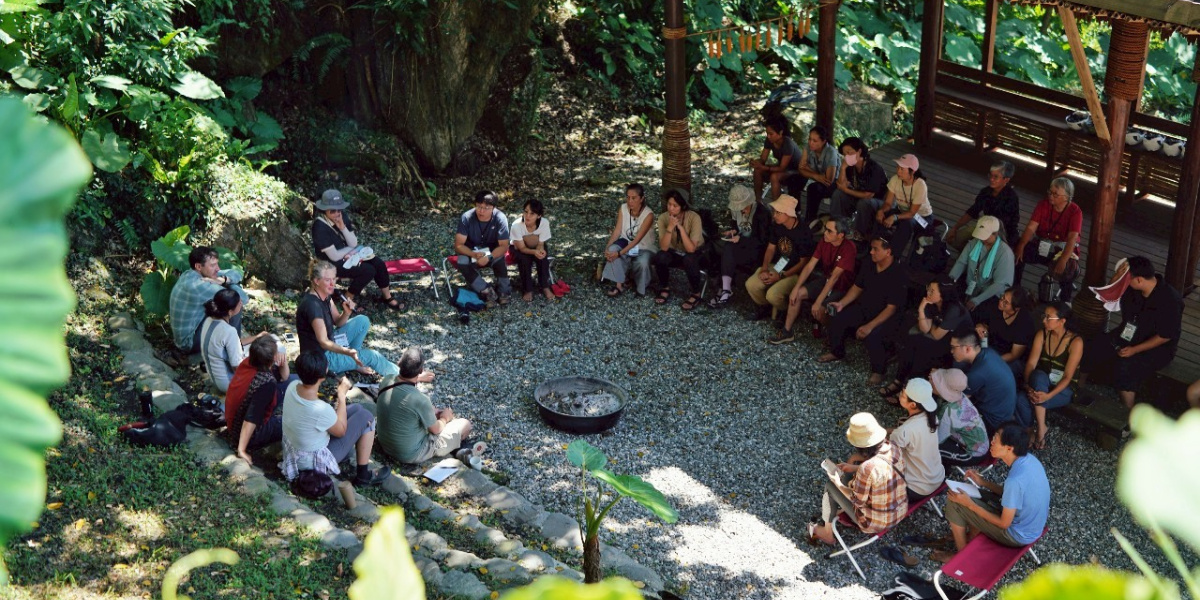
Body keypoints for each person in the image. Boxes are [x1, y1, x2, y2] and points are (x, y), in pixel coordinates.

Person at [1079, 256, 1183, 425]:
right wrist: (1117, 277)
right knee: (1093, 346)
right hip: (1127, 334)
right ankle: (1078, 388)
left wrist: (1134, 350)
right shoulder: (1132, 287)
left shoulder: (1170, 299)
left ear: (1139, 280)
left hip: (1157, 347)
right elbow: (1108, 296)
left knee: (1126, 367)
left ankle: (1128, 416)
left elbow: (1165, 335)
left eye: (1126, 280)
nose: (1124, 284)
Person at [934, 423, 1050, 563]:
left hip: (1016, 535)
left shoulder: (1014, 480)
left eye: (996, 439)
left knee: (955, 501)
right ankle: (971, 537)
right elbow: (1013, 496)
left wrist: (970, 505)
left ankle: (961, 558)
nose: (992, 442)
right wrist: (983, 483)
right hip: (1031, 527)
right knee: (971, 494)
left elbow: (1004, 523)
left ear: (1009, 448)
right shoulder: (1030, 461)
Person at [280, 351, 391, 486]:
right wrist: (341, 395)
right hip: (311, 463)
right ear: (322, 376)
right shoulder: (320, 408)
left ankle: (347, 456)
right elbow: (340, 431)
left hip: (296, 449)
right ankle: (363, 476)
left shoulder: (292, 386)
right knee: (367, 417)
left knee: (357, 409)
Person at [808, 412, 908, 546]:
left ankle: (827, 533)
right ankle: (835, 513)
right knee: (846, 478)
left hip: (875, 522)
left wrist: (837, 482)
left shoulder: (867, 468)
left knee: (830, 486)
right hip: (900, 510)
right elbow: (882, 471)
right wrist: (854, 468)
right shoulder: (893, 447)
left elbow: (857, 500)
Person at [822, 237, 909, 386]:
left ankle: (878, 371)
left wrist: (869, 326)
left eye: (875, 249)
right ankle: (837, 352)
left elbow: (891, 308)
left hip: (887, 316)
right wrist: (841, 303)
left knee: (873, 335)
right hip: (865, 307)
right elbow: (857, 287)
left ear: (888, 252)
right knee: (837, 316)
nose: (871, 252)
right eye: (871, 248)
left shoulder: (898, 273)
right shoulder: (869, 264)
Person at [297, 260, 399, 376]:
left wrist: (346, 313)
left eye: (334, 279)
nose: (332, 284)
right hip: (321, 358)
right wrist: (348, 352)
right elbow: (324, 342)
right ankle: (404, 377)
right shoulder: (312, 306)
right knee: (372, 356)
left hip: (330, 343)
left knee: (362, 321)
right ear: (316, 281)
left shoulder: (325, 296)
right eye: (328, 280)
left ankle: (355, 363)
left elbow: (338, 322)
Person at [880, 277, 972, 402]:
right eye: (928, 289)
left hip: (956, 345)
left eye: (932, 291)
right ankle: (899, 380)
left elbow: (936, 335)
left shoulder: (954, 309)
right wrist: (921, 309)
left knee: (922, 352)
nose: (928, 293)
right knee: (912, 342)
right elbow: (925, 329)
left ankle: (910, 390)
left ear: (943, 295)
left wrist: (932, 325)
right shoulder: (930, 302)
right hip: (942, 337)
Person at [310, 189, 404, 311]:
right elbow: (334, 256)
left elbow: (353, 242)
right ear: (324, 210)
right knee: (368, 270)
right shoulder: (319, 226)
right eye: (332, 211)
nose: (336, 213)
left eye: (339, 209)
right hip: (331, 263)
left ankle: (387, 297)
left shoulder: (342, 217)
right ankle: (347, 298)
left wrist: (342, 228)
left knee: (378, 263)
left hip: (348, 254)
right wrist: (351, 249)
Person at [376, 348, 474, 464]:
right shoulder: (420, 400)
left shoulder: (387, 380)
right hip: (410, 454)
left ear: (399, 363)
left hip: (385, 444)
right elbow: (436, 430)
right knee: (465, 425)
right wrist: (445, 418)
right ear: (421, 370)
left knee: (427, 414)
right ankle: (456, 449)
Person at [771, 217, 857, 343]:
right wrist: (796, 288)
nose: (825, 233)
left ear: (840, 235)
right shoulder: (824, 241)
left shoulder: (849, 248)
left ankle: (834, 334)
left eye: (829, 231)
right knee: (797, 294)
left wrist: (818, 301)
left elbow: (835, 278)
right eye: (825, 229)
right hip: (826, 280)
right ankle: (787, 331)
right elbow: (810, 265)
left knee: (820, 310)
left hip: (842, 286)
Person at [1023, 301, 1084, 449]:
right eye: (1044, 316)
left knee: (1022, 400)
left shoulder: (1075, 342)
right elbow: (1031, 363)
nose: (1044, 320)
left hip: (1063, 389)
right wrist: (1027, 386)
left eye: (1048, 317)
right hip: (1042, 383)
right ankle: (1036, 428)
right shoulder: (1042, 334)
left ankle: (1037, 430)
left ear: (1062, 321)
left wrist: (1048, 396)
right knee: (1037, 377)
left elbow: (1067, 377)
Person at [226, 336, 295, 464]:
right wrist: (241, 449)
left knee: (293, 380)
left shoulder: (248, 362)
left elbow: (285, 377)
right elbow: (251, 419)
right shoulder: (266, 384)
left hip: (236, 418)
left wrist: (284, 362)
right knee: (294, 423)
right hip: (247, 432)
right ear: (272, 360)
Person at [745, 194, 815, 321]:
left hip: (794, 272)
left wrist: (781, 276)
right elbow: (770, 248)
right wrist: (764, 268)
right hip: (777, 266)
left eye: (778, 212)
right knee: (751, 284)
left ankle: (784, 310)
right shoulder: (777, 225)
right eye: (774, 212)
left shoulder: (803, 232)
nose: (774, 215)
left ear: (788, 213)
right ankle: (764, 307)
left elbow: (803, 263)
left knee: (773, 295)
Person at [1013, 177, 1082, 302]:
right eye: (1050, 192)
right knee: (1018, 252)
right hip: (1042, 244)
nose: (1051, 196)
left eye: (1055, 194)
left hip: (1062, 249)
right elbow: (1031, 227)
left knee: (1068, 269)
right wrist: (1021, 245)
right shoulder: (1043, 204)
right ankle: (1015, 288)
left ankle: (1064, 302)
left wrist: (1063, 259)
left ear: (1067, 197)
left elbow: (1072, 238)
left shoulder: (1075, 211)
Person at [169, 246, 247, 353]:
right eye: (213, 265)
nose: (218, 269)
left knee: (227, 299)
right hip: (188, 342)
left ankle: (232, 344)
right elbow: (242, 299)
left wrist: (224, 279)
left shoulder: (190, 274)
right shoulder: (197, 286)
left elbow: (236, 273)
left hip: (192, 332)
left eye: (217, 264)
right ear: (198, 266)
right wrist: (227, 283)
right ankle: (234, 348)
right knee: (234, 306)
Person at [950, 331, 1027, 432]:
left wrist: (939, 379)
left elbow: (958, 398)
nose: (951, 351)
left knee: (950, 412)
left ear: (967, 349)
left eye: (953, 347)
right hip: (1004, 410)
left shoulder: (977, 373)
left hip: (993, 420)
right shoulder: (988, 352)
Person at [709, 184, 771, 308]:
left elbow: (763, 241)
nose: (742, 210)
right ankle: (725, 288)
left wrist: (741, 239)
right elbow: (736, 226)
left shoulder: (762, 214)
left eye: (744, 207)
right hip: (740, 245)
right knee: (719, 246)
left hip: (756, 250)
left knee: (728, 249)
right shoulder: (736, 211)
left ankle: (724, 289)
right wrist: (733, 232)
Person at [199, 288, 269, 393]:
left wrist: (257, 337)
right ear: (230, 311)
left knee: (258, 347)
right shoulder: (229, 331)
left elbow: (233, 344)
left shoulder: (209, 320)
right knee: (266, 352)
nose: (241, 303)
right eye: (239, 303)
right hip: (228, 384)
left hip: (215, 378)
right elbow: (237, 367)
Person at [891, 378, 947, 503]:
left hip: (916, 489)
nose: (899, 395)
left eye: (902, 395)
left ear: (912, 405)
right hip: (938, 478)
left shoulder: (905, 431)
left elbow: (887, 458)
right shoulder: (932, 419)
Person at [945, 161, 1021, 251]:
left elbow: (1003, 225)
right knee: (953, 239)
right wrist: (955, 228)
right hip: (984, 226)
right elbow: (973, 211)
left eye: (996, 177)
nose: (991, 179)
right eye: (990, 175)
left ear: (1006, 180)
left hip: (1003, 233)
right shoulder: (986, 191)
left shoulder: (1011, 198)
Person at [454, 190, 512, 305]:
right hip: (471, 250)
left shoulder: (500, 218)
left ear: (493, 208)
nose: (481, 211)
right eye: (479, 206)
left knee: (499, 258)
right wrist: (473, 254)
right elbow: (458, 245)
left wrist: (489, 257)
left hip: (492, 250)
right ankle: (485, 290)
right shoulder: (467, 217)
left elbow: (504, 246)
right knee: (462, 261)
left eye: (486, 208)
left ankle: (504, 290)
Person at [652, 188, 706, 310]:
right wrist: (670, 228)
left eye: (675, 206)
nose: (671, 208)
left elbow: (691, 249)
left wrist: (681, 228)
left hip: (696, 252)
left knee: (689, 259)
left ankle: (696, 292)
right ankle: (664, 287)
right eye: (669, 204)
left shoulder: (694, 217)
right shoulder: (663, 218)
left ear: (683, 206)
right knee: (660, 256)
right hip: (675, 251)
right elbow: (664, 247)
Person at [869, 154, 933, 256]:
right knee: (881, 215)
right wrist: (881, 211)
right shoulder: (895, 179)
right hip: (902, 211)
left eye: (902, 169)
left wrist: (894, 217)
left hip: (922, 217)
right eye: (898, 167)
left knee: (906, 224)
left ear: (912, 171)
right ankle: (874, 247)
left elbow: (912, 213)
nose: (898, 171)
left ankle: (893, 255)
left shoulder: (920, 185)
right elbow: (888, 203)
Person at [948, 216, 1015, 310]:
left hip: (991, 295)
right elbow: (961, 263)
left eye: (985, 236)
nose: (982, 239)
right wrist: (950, 281)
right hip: (971, 285)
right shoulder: (973, 243)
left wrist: (977, 300)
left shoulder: (1005, 253)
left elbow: (999, 284)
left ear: (995, 233)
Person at [602, 183, 657, 297]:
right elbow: (617, 231)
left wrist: (619, 253)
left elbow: (637, 240)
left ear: (641, 198)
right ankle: (619, 285)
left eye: (634, 198)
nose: (630, 201)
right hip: (626, 241)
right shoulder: (623, 208)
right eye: (628, 197)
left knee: (642, 262)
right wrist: (607, 248)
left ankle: (641, 288)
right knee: (612, 250)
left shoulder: (648, 215)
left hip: (643, 246)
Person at [931, 368, 990, 467]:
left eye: (937, 381)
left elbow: (937, 439)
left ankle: (942, 470)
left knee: (928, 448)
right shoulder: (958, 394)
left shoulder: (949, 413)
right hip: (972, 440)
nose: (932, 381)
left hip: (972, 454)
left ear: (943, 389)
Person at [973, 287, 1037, 379]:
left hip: (1011, 359)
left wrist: (990, 360)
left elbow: (1014, 355)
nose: (1001, 302)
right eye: (1002, 297)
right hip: (992, 348)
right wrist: (981, 327)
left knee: (992, 371)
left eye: (1006, 302)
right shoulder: (994, 306)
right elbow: (985, 326)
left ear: (1016, 308)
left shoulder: (1025, 322)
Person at [829, 137, 888, 232]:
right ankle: (836, 225)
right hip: (858, 197)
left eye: (849, 152)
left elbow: (868, 195)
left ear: (859, 151)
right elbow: (840, 184)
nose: (847, 156)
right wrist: (843, 168)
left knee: (863, 202)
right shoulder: (850, 166)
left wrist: (845, 190)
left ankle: (859, 233)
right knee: (838, 194)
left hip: (877, 202)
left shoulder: (873, 168)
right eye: (845, 154)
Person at [509, 199, 555, 302]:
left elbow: (541, 243)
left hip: (536, 245)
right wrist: (534, 252)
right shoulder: (516, 225)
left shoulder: (544, 223)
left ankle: (545, 286)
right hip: (519, 247)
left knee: (542, 259)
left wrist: (540, 251)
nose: (527, 216)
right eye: (526, 212)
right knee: (524, 261)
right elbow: (521, 248)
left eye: (532, 213)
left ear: (539, 216)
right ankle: (528, 289)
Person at [795, 125, 842, 223]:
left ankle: (809, 220)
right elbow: (801, 168)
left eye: (815, 141)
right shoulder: (808, 148)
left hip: (835, 184)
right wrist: (815, 175)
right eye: (809, 139)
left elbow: (828, 180)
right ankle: (795, 212)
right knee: (795, 179)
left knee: (813, 188)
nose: (811, 143)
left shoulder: (830, 152)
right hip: (818, 179)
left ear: (823, 141)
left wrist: (809, 169)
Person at [750, 115, 803, 201]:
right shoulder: (769, 140)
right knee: (757, 170)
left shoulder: (788, 144)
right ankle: (758, 201)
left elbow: (782, 168)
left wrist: (764, 167)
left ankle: (776, 207)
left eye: (771, 134)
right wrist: (756, 163)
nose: (768, 136)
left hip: (796, 171)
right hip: (784, 169)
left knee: (775, 177)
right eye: (767, 133)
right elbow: (763, 159)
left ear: (780, 132)